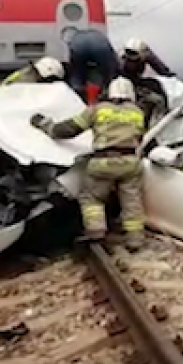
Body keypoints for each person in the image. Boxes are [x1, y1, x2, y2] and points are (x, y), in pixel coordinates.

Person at [30, 77, 146, 252]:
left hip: (103, 162)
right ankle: (135, 240)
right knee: (132, 201)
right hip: (130, 162)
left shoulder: (98, 110)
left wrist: (44, 124)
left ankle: (96, 232)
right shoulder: (138, 113)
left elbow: (66, 130)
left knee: (92, 198)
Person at [66, 28, 121, 103]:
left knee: (77, 78)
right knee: (110, 77)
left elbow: (75, 70)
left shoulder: (76, 39)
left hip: (78, 47)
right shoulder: (99, 39)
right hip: (101, 48)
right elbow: (112, 68)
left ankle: (78, 96)